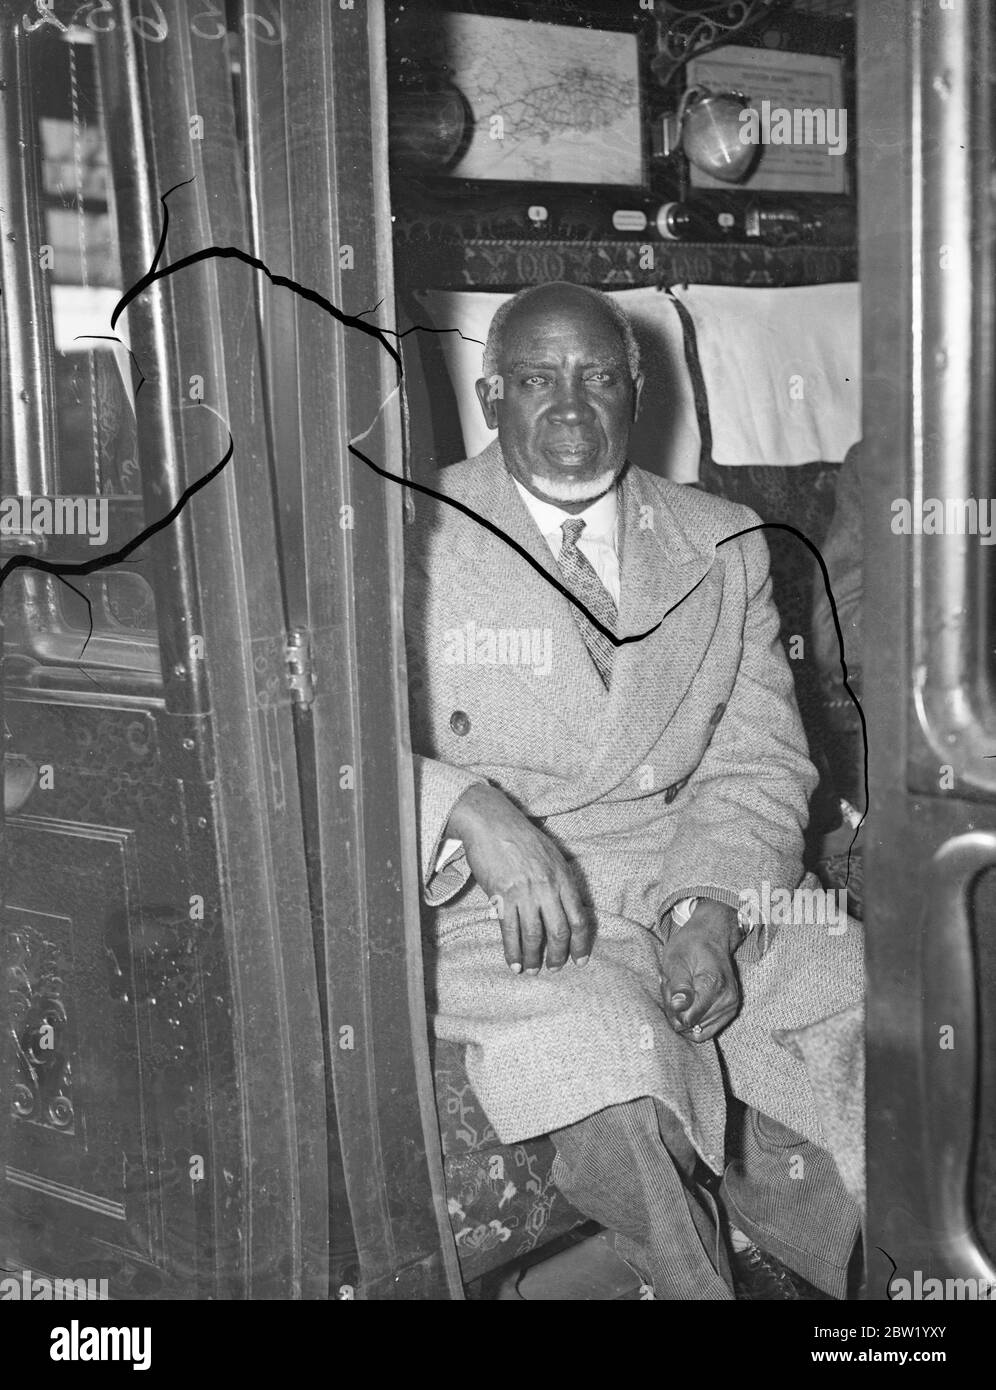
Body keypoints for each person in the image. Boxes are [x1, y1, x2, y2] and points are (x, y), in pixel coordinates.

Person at [405, 282, 863, 1300]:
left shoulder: (724, 538)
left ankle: (890, 1291)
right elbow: (325, 748)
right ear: (490, 395)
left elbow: (761, 759)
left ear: (638, 388)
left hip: (686, 874)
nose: (571, 409)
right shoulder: (405, 538)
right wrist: (466, 807)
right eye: (536, 380)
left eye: (599, 377)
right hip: (503, 915)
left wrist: (710, 910)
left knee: (865, 1001)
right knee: (612, 1061)